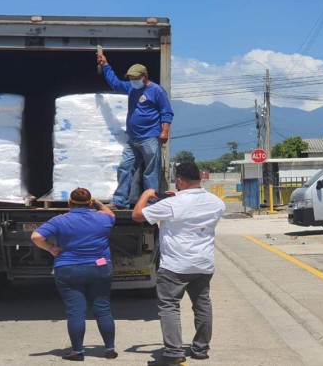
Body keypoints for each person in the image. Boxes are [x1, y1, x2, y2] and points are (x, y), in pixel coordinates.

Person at [132, 162, 226, 366]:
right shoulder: (217, 202)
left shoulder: (171, 204)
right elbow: (193, 212)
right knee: (202, 306)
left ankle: (174, 352)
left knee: (169, 307)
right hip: (203, 264)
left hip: (175, 265)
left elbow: (137, 215)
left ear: (179, 180)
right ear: (199, 178)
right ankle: (201, 349)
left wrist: (147, 195)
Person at [30, 188, 118, 361]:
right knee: (103, 308)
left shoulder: (60, 220)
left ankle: (77, 351)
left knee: (76, 311)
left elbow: (36, 237)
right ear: (90, 203)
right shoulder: (102, 218)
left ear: (69, 203)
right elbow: (111, 214)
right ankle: (110, 349)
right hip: (99, 267)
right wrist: (98, 202)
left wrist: (50, 248)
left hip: (68, 268)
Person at [97, 53, 174, 209]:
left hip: (150, 137)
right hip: (133, 139)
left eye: (135, 78)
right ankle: (120, 201)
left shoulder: (156, 90)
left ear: (144, 77)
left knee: (150, 171)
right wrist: (105, 65)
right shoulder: (132, 88)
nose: (132, 81)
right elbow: (115, 83)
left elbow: (166, 111)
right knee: (125, 167)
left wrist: (164, 131)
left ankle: (151, 201)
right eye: (130, 78)